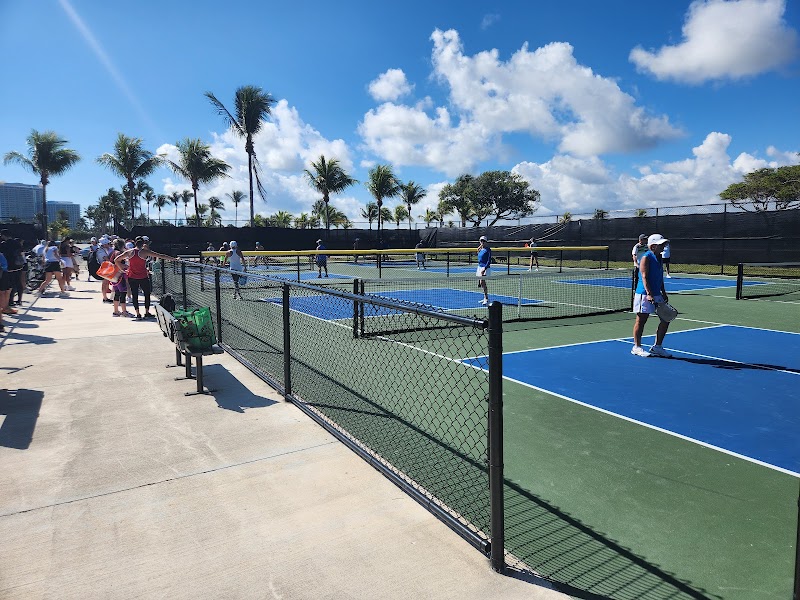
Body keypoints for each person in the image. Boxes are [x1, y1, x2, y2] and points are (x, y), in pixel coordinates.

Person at [631, 234, 672, 358]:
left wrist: (663, 293)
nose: (664, 247)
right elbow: (644, 276)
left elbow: (660, 277)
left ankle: (657, 347)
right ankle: (636, 347)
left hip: (656, 293)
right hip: (644, 294)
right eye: (661, 244)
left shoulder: (659, 257)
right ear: (653, 246)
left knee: (666, 318)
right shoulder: (646, 257)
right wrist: (649, 294)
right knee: (641, 320)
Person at [114, 237, 175, 319]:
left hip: (132, 276)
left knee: (134, 295)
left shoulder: (129, 252)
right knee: (147, 294)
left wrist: (122, 268)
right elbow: (160, 255)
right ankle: (146, 312)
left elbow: (116, 260)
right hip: (143, 276)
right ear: (143, 244)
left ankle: (138, 313)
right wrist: (174, 259)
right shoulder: (145, 252)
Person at [0, 230, 23, 313]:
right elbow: (21, 252)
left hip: (7, 267)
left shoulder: (3, 244)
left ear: (4, 235)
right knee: (18, 282)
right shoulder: (17, 243)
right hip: (17, 265)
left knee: (8, 286)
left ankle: (10, 302)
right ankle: (19, 299)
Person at [96, 236, 113, 303]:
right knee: (105, 283)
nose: (109, 245)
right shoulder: (101, 252)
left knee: (105, 283)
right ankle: (105, 297)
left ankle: (105, 297)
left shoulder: (101, 250)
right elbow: (107, 259)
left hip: (105, 267)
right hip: (104, 268)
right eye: (108, 244)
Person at [476, 235, 491, 305]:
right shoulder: (480, 249)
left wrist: (484, 268)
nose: (482, 242)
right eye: (481, 241)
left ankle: (486, 298)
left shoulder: (488, 250)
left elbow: (489, 260)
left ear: (486, 242)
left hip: (485, 267)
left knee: (482, 282)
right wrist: (479, 248)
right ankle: (484, 297)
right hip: (479, 267)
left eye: (483, 241)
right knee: (481, 283)